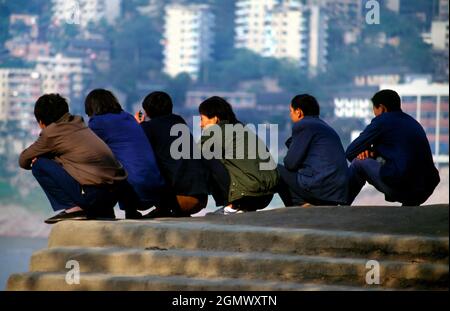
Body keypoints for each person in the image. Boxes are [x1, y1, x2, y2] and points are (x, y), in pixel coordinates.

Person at [19, 94, 129, 224]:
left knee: (40, 164)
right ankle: (101, 211)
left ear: (41, 122)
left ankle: (73, 209)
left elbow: (23, 160)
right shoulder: (78, 123)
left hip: (94, 195)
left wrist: (45, 156)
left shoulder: (51, 134)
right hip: (115, 194)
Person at [346, 89, 440, 206]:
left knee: (358, 163)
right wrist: (372, 154)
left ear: (381, 107)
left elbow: (350, 152)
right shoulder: (413, 122)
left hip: (402, 186)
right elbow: (398, 157)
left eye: (374, 110)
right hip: (425, 189)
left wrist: (366, 153)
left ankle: (341, 203)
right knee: (402, 169)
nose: (374, 114)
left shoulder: (382, 121)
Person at [85, 89, 166, 217]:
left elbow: (87, 153)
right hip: (157, 189)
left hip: (136, 193)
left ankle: (105, 212)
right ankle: (130, 211)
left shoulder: (97, 123)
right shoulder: (128, 117)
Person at [199, 96, 279, 215]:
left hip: (247, 195)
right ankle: (239, 207)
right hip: (267, 196)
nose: (200, 124)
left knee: (203, 157)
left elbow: (192, 154)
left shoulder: (215, 132)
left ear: (215, 119)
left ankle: (232, 206)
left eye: (202, 119)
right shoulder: (243, 130)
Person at [136, 91, 209, 218]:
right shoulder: (179, 123)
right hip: (201, 198)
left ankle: (159, 208)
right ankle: (165, 209)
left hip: (178, 200)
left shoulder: (149, 128)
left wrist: (140, 126)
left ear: (147, 111)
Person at [277, 94, 349, 207]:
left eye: (291, 111)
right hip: (337, 192)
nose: (290, 114)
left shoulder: (303, 125)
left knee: (274, 169)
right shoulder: (326, 128)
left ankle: (296, 205)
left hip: (318, 186)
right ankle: (303, 203)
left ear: (299, 112)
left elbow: (290, 163)